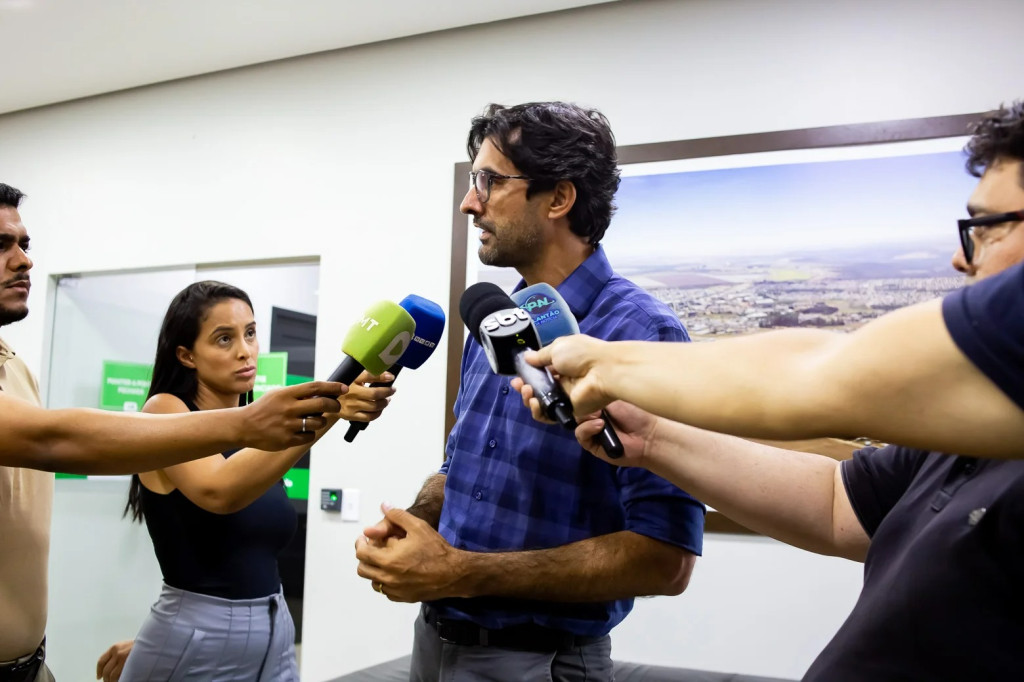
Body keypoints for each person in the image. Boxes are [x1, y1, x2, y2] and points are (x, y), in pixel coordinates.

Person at [518, 101, 1024, 680]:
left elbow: (820, 372)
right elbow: (836, 505)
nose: (961, 256)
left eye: (988, 226)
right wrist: (655, 439)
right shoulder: (982, 427)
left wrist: (604, 364)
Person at [355, 102, 705, 682]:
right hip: (435, 643)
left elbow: (664, 559)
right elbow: (459, 471)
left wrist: (460, 572)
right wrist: (415, 522)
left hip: (543, 662)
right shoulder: (493, 321)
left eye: (489, 181)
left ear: (559, 198)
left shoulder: (643, 334)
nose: (469, 203)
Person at [0, 183, 344, 682]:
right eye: (2, 245)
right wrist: (292, 419)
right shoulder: (168, 408)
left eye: (24, 244)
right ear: (186, 355)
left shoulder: (15, 369)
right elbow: (53, 440)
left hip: (35, 663)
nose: (24, 260)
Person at [100, 281, 395, 681]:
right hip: (196, 636)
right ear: (186, 355)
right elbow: (219, 490)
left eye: (250, 333)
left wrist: (333, 409)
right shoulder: (165, 410)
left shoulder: (257, 434)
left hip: (275, 633)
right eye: (224, 338)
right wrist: (332, 409)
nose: (245, 350)